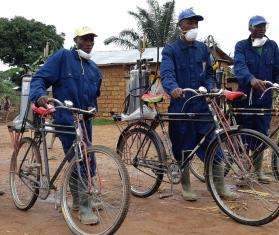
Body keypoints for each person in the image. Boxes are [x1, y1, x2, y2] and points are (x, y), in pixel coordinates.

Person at [160, 8, 236, 201]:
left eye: (196, 23)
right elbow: (166, 74)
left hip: (202, 106)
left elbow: (209, 73)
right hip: (181, 105)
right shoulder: (171, 49)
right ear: (181, 26)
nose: (194, 26)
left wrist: (210, 87)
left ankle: (219, 185)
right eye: (190, 23)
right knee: (183, 147)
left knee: (213, 143)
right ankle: (186, 185)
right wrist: (174, 88)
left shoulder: (203, 49)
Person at [29, 26, 102, 224]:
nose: (89, 43)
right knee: (77, 157)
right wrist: (39, 96)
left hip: (85, 119)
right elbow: (40, 78)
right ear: (76, 39)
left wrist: (92, 108)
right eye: (85, 39)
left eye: (92, 40)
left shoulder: (93, 67)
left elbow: (95, 94)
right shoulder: (62, 58)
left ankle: (84, 197)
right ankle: (81, 203)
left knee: (88, 157)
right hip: (66, 117)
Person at [234, 16, 279, 183]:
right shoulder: (241, 46)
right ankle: (244, 172)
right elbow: (239, 67)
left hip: (265, 98)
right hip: (246, 98)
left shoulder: (272, 46)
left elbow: (277, 69)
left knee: (262, 133)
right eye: (258, 26)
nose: (261, 29)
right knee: (244, 134)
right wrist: (250, 79)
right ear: (250, 28)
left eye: (263, 26)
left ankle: (258, 171)